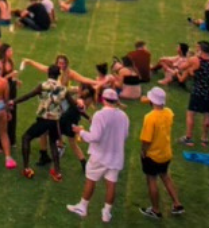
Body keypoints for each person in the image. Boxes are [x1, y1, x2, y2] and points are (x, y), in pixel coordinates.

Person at [66, 88, 129, 222]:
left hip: (100, 156)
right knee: (111, 184)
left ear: (102, 100)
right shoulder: (123, 116)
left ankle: (83, 206)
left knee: (91, 180)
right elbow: (125, 135)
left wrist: (80, 132)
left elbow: (94, 137)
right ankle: (106, 213)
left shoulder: (100, 115)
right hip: (116, 156)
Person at [139, 87, 184, 219]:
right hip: (166, 153)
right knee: (166, 176)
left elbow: (146, 140)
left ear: (152, 101)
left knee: (151, 180)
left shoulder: (149, 118)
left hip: (153, 155)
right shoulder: (169, 112)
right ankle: (177, 204)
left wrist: (143, 152)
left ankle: (155, 210)